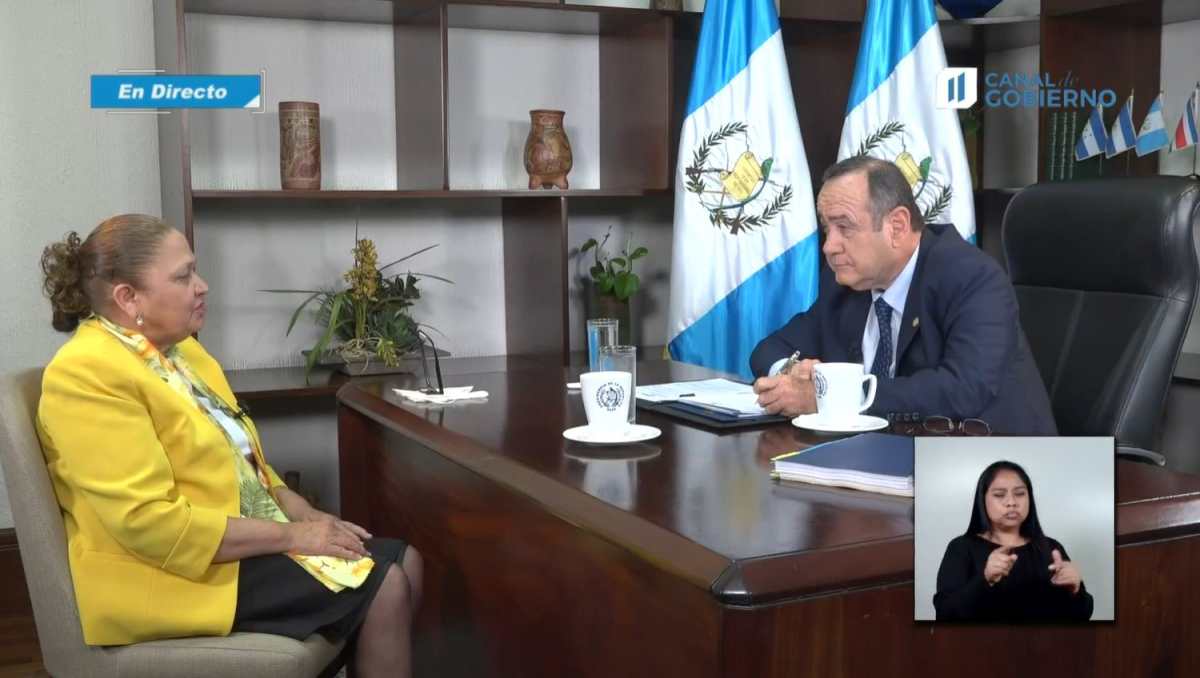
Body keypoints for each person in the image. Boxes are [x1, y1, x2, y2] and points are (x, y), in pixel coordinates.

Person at [38, 214, 421, 677]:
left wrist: (300, 510)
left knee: (407, 561)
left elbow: (241, 461)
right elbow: (149, 524)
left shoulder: (181, 352)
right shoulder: (85, 374)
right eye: (183, 276)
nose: (202, 286)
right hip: (167, 572)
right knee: (387, 585)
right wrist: (294, 536)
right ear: (128, 297)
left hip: (228, 545)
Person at [749, 156, 1056, 435]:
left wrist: (829, 397)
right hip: (882, 456)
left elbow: (963, 390)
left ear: (897, 226)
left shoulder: (971, 278)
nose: (829, 246)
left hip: (992, 461)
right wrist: (791, 375)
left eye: (844, 227)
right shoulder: (847, 282)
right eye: (828, 229)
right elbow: (769, 349)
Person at [933, 461, 1094, 622]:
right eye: (999, 495)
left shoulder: (1051, 548)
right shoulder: (961, 547)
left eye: (1020, 493)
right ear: (982, 499)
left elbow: (1083, 615)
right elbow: (945, 613)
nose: (1011, 502)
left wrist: (1076, 590)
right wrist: (985, 579)